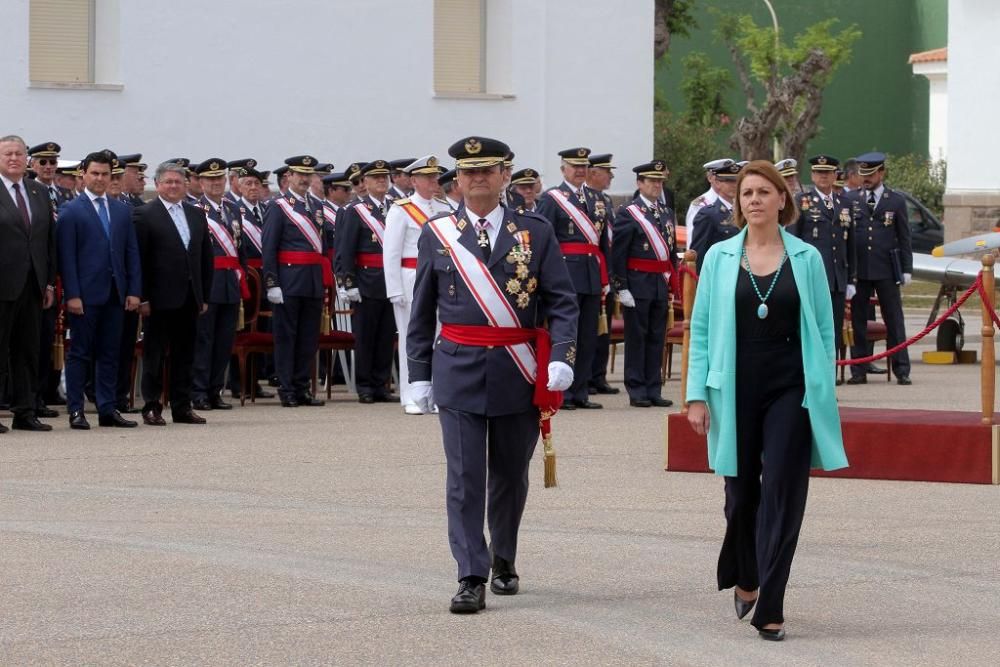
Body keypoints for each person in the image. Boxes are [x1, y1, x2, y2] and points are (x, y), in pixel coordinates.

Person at [407, 135, 578, 614]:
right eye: (468, 171)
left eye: (488, 170)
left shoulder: (536, 231)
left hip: (517, 369)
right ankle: (470, 573)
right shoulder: (437, 233)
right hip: (458, 366)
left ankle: (504, 555)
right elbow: (422, 309)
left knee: (509, 475)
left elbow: (562, 301)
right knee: (464, 477)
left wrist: (562, 355)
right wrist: (418, 372)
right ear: (456, 180)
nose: (477, 178)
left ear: (506, 176)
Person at [686, 160, 848, 641]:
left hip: (791, 385)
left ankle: (771, 605)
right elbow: (700, 329)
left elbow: (823, 326)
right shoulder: (717, 257)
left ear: (782, 199)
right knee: (741, 498)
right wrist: (696, 395)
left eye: (763, 192)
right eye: (746, 193)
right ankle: (747, 572)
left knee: (783, 489)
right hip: (733, 383)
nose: (753, 200)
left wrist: (821, 386)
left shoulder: (807, 259)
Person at [57, 150, 142, 429]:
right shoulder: (72, 211)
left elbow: (131, 253)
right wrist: (72, 294)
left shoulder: (120, 210)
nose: (100, 179)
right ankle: (76, 410)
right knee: (80, 352)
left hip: (116, 293)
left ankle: (107, 408)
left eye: (105, 174)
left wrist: (133, 290)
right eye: (95, 173)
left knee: (110, 352)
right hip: (85, 295)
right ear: (83, 174)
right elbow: (67, 258)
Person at [134, 161, 214, 426]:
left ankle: (182, 406)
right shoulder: (145, 214)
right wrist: (142, 297)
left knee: (185, 354)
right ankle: (152, 406)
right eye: (168, 182)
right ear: (157, 185)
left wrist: (204, 295)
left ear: (185, 185)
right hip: (158, 298)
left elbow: (205, 258)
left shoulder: (195, 214)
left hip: (190, 296)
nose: (173, 186)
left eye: (178, 182)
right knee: (155, 354)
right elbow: (140, 260)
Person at [536, 146, 608, 410]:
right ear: (563, 169)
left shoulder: (597, 198)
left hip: (590, 273)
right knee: (568, 333)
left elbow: (603, 243)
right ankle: (564, 393)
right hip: (564, 273)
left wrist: (606, 274)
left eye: (583, 166)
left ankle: (581, 390)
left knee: (589, 334)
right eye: (574, 166)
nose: (580, 171)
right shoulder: (552, 199)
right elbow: (544, 239)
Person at [383, 155, 450, 414]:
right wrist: (394, 289)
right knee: (411, 338)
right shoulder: (401, 209)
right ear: (414, 180)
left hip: (438, 279)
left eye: (435, 176)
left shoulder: (443, 207)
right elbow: (391, 251)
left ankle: (433, 392)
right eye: (428, 177)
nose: (434, 181)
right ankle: (410, 395)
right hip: (410, 278)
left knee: (438, 336)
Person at [0, 134, 58, 433]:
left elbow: (48, 242)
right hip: (3, 284)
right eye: (8, 153)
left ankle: (25, 411)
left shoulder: (37, 192)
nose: (14, 158)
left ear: (27, 160)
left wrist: (48, 284)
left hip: (33, 285)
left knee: (27, 350)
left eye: (18, 154)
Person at [261, 155, 329, 407]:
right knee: (287, 336)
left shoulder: (317, 206)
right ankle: (287, 388)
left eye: (307, 175)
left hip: (311, 280)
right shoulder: (278, 205)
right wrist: (271, 282)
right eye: (299, 174)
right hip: (288, 280)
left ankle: (302, 387)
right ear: (289, 176)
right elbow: (268, 246)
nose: (304, 179)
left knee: (308, 338)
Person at [611, 161, 676, 408]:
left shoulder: (666, 212)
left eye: (660, 181)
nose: (657, 186)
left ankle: (653, 387)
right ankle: (637, 388)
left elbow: (669, 249)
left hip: (659, 283)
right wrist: (621, 286)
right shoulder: (629, 212)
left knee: (656, 337)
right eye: (652, 181)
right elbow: (618, 253)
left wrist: (672, 278)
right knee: (637, 337)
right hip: (637, 283)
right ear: (640, 183)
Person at [845, 152, 913, 385]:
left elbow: (904, 237)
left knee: (894, 320)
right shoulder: (851, 199)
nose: (866, 179)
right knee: (858, 321)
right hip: (860, 269)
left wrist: (906, 268)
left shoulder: (895, 200)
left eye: (871, 174)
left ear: (881, 173)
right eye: (863, 174)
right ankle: (858, 369)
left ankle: (901, 369)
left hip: (886, 268)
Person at [789, 154, 856, 384]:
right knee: (809, 329)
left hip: (837, 278)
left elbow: (850, 245)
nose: (823, 177)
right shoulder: (802, 201)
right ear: (813, 175)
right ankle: (806, 376)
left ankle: (829, 375)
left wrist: (851, 280)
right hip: (811, 278)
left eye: (827, 173)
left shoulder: (844, 204)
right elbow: (793, 240)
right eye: (819, 173)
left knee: (833, 331)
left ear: (835, 175)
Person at [335, 159, 397, 404]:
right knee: (366, 337)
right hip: (366, 281)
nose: (381, 182)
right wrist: (348, 282)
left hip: (390, 281)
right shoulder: (354, 211)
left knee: (385, 337)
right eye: (376, 178)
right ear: (365, 183)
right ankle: (364, 385)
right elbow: (345, 249)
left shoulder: (395, 207)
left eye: (385, 178)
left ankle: (381, 384)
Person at [192, 158, 246, 411]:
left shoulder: (233, 209)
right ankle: (199, 391)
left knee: (225, 340)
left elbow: (240, 248)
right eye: (210, 180)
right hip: (208, 282)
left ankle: (215, 390)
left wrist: (241, 276)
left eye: (219, 179)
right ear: (201, 182)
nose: (215, 184)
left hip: (229, 284)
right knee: (203, 339)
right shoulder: (193, 209)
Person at [584, 153, 620, 396]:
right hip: (587, 268)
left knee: (603, 325)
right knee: (588, 327)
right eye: (607, 172)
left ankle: (599, 375)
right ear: (593, 173)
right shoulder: (581, 199)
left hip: (604, 268)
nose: (611, 176)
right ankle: (585, 377)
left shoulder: (604, 199)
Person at [690, 159, 740, 272]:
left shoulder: (745, 212)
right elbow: (699, 253)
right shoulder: (708, 214)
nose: (734, 185)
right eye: (728, 181)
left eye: (737, 181)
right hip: (718, 273)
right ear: (717, 183)